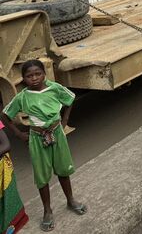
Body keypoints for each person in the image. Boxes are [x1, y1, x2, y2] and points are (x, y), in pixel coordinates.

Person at [3, 60, 86, 232]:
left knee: (63, 169)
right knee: (41, 176)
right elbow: (5, 115)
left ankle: (70, 200)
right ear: (23, 79)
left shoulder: (54, 88)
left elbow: (69, 99)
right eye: (29, 76)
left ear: (44, 74)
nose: (34, 78)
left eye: (37, 74)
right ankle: (47, 210)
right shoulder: (23, 96)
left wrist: (64, 121)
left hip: (56, 134)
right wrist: (19, 134)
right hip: (37, 137)